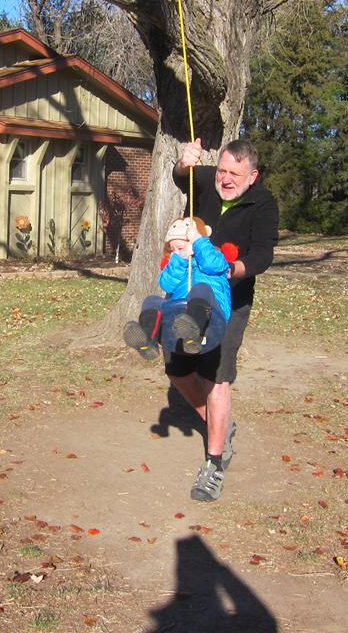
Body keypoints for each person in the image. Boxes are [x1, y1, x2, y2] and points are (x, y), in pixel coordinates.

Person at [168, 137, 278, 502]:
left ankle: (213, 465)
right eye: (222, 171)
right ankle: (220, 424)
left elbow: (263, 254)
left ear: (253, 176)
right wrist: (184, 162)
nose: (225, 179)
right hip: (187, 293)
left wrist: (232, 269)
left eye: (235, 174)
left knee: (217, 377)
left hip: (231, 299)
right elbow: (180, 176)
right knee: (177, 370)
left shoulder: (263, 203)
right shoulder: (205, 182)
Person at [123, 216, 236, 359]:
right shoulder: (177, 263)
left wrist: (197, 240)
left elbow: (212, 264)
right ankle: (148, 340)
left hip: (211, 313)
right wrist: (180, 258)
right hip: (179, 314)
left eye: (180, 248)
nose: (176, 252)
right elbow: (166, 284)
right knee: (151, 301)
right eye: (173, 249)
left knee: (201, 288)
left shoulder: (216, 257)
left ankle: (194, 332)